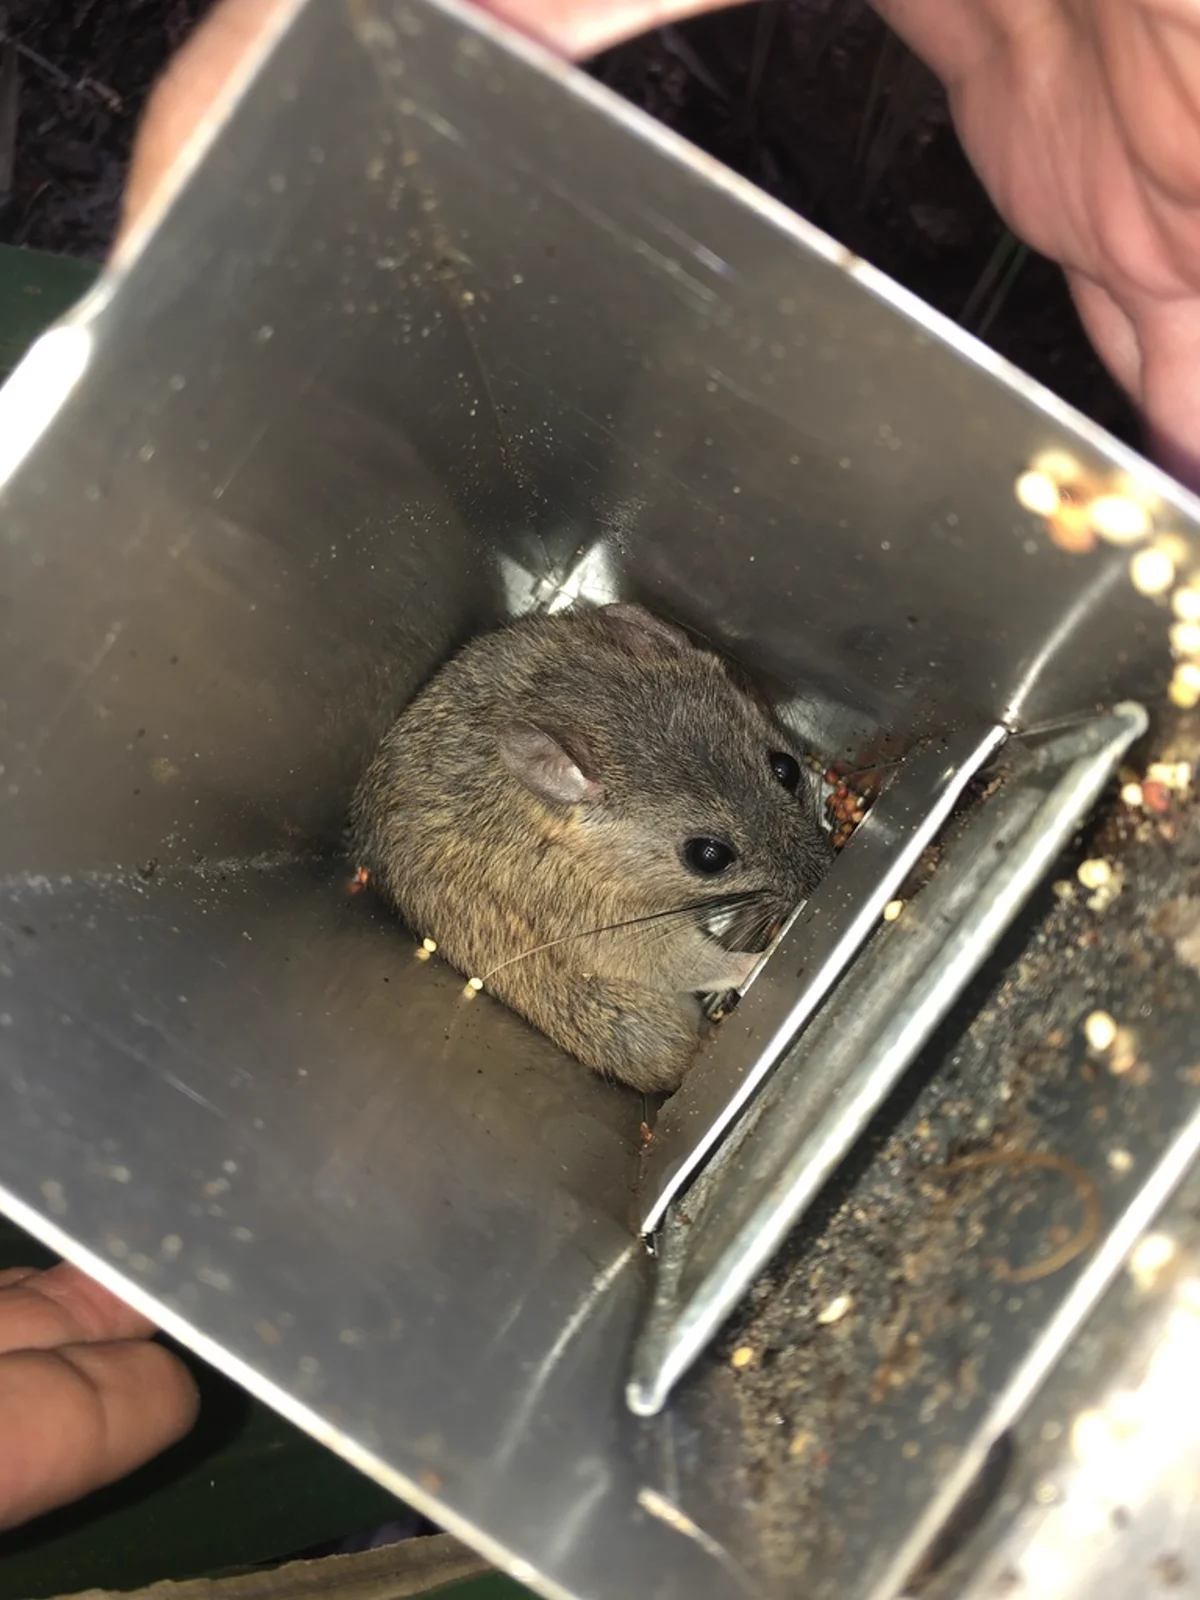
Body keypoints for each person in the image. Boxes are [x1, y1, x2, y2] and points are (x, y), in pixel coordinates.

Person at [3, 0, 1198, 1534]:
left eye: (778, 779)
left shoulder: (638, 665)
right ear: (568, 795)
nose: (781, 834)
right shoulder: (549, 813)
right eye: (710, 848)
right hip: (586, 951)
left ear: (660, 650)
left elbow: (717, 755)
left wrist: (771, 820)